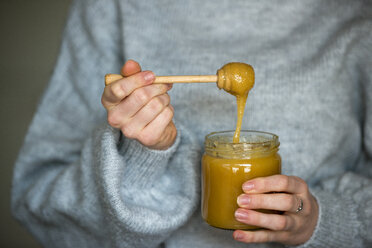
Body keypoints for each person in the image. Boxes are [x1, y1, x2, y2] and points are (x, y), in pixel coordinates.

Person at [11, 0, 372, 247]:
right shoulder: (114, 7)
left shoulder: (357, 13)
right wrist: (143, 156)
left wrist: (321, 223)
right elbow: (40, 205)